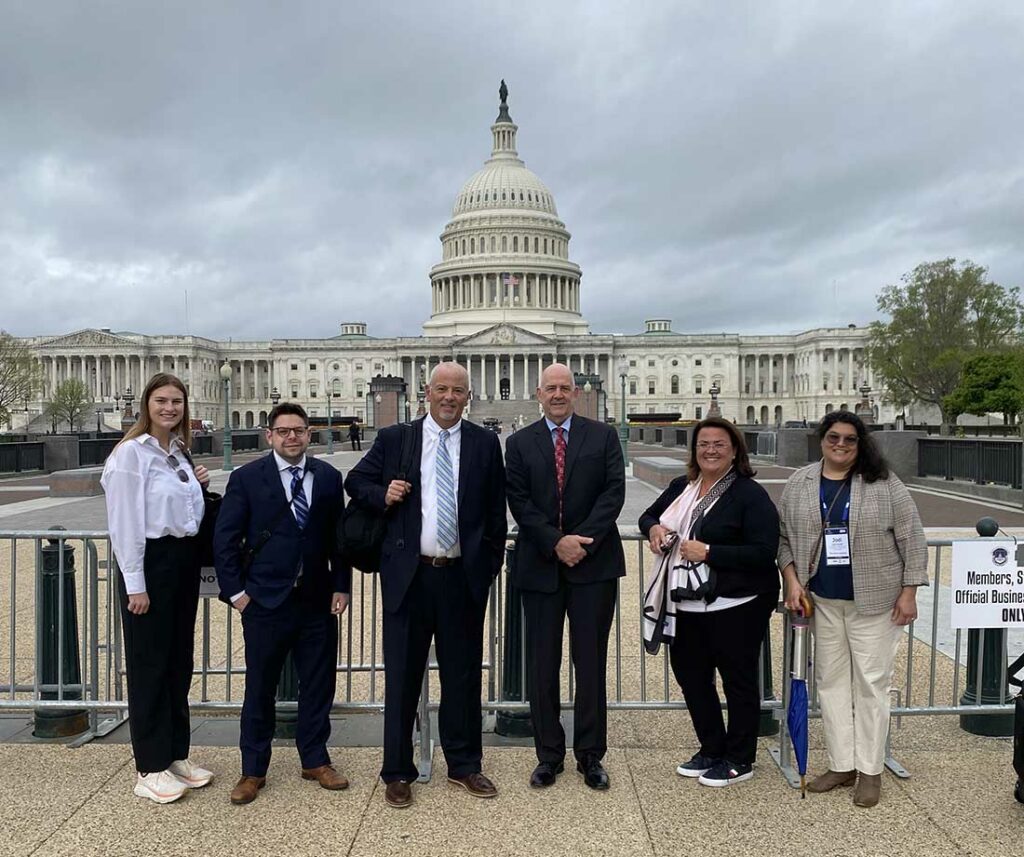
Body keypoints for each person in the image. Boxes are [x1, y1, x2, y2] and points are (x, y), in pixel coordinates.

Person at [345, 361, 507, 809]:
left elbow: (496, 512)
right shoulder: (397, 438)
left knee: (463, 676)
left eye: (458, 390)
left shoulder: (484, 442)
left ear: (468, 396)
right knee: (401, 676)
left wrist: (487, 566)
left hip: (461, 576)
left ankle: (464, 763)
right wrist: (383, 495)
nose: (450, 397)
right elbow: (354, 480)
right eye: (442, 389)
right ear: (426, 392)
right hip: (409, 575)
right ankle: (397, 770)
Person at [777, 410, 927, 807]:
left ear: (861, 444)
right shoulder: (801, 482)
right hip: (822, 601)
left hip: (875, 602)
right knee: (830, 684)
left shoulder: (882, 483)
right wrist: (791, 579)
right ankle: (843, 763)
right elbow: (784, 538)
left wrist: (909, 591)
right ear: (821, 440)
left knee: (872, 685)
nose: (840, 445)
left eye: (849, 439)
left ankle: (871, 769)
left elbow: (912, 537)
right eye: (833, 438)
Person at [213, 402, 351, 805]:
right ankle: (253, 769)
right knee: (260, 687)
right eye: (284, 431)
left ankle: (315, 758)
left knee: (319, 684)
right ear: (269, 435)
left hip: (316, 599)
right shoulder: (247, 478)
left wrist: (341, 586)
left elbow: (336, 539)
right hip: (265, 601)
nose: (293, 437)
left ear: (310, 434)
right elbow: (225, 540)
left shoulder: (327, 477)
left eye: (300, 430)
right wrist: (237, 595)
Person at [638, 417, 779, 788]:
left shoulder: (749, 494)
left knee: (738, 681)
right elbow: (647, 516)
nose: (710, 450)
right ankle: (712, 748)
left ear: (734, 451)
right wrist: (654, 529)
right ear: (694, 450)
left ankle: (740, 757)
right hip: (685, 603)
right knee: (692, 678)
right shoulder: (683, 487)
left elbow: (764, 552)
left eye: (719, 444)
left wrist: (711, 551)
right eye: (703, 444)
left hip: (737, 603)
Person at [505, 364, 625, 791]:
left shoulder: (603, 436)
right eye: (550, 388)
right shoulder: (518, 443)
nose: (557, 394)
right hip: (541, 564)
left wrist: (581, 543)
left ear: (576, 393)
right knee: (542, 666)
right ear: (538, 393)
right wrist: (556, 541)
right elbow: (518, 501)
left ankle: (591, 756)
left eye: (565, 388)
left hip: (594, 566)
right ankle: (548, 755)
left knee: (590, 664)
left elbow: (613, 494)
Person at [101, 373, 213, 804]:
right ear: (146, 404)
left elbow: (185, 510)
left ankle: (175, 755)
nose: (170, 408)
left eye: (178, 402)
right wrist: (135, 583)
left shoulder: (178, 452)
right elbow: (125, 522)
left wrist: (198, 485)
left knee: (177, 663)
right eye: (162, 401)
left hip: (181, 564)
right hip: (151, 562)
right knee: (149, 666)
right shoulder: (132, 453)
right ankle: (149, 765)